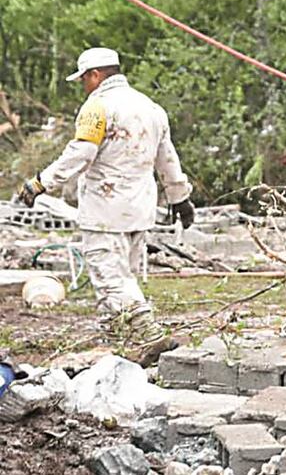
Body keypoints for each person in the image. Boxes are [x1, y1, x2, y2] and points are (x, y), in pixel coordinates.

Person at [18, 47, 195, 365]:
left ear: (95, 75)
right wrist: (180, 196)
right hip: (140, 209)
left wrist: (41, 182)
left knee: (110, 277)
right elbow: (167, 158)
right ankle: (115, 342)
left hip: (105, 209)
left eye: (83, 79)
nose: (83, 85)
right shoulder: (151, 107)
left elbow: (81, 153)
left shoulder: (97, 107)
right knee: (121, 277)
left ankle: (148, 333)